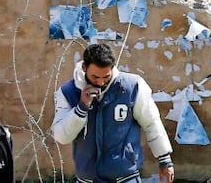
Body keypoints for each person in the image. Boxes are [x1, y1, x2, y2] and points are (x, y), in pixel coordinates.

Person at [53, 43, 174, 183]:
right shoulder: (67, 92)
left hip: (126, 177)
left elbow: (152, 123)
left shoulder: (132, 87)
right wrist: (81, 108)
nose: (100, 82)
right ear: (84, 68)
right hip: (87, 178)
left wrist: (165, 160)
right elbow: (61, 137)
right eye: (95, 77)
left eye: (106, 77)